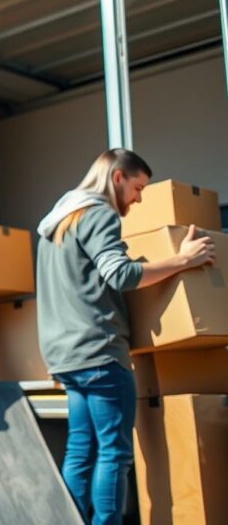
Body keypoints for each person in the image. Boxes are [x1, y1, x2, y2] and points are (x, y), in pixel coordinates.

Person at [36, 149, 214, 525]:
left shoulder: (58, 222)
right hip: (100, 352)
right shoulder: (98, 214)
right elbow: (121, 274)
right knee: (114, 453)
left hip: (64, 354)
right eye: (137, 187)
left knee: (80, 450)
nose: (139, 198)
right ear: (117, 178)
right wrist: (185, 260)